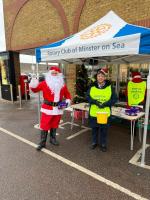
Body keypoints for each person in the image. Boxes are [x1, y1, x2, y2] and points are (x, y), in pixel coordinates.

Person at [29, 66, 71, 151]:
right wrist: (33, 81)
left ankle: (52, 139)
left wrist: (66, 102)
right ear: (49, 74)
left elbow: (68, 95)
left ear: (59, 75)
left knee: (55, 124)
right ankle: (42, 142)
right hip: (47, 108)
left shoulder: (62, 85)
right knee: (44, 125)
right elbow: (34, 89)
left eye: (56, 73)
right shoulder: (44, 83)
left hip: (58, 108)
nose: (54, 75)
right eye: (53, 73)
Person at [87, 67, 117, 152]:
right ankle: (94, 142)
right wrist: (94, 102)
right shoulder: (92, 86)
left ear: (105, 77)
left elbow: (115, 99)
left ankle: (103, 144)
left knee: (104, 130)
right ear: (97, 77)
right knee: (94, 129)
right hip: (94, 112)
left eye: (102, 76)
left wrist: (106, 104)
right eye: (99, 76)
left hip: (104, 113)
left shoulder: (110, 87)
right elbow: (88, 97)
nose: (100, 77)